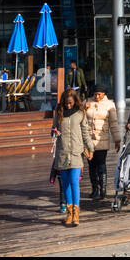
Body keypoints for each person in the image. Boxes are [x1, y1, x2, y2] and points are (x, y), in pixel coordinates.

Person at [51, 88, 92, 226]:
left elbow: (85, 131)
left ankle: (76, 213)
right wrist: (54, 132)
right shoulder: (59, 113)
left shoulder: (80, 113)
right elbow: (53, 129)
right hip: (62, 153)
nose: (68, 105)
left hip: (76, 152)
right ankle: (69, 213)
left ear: (75, 101)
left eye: (70, 103)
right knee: (65, 183)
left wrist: (90, 147)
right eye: (66, 103)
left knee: (74, 181)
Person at [83, 85, 119, 201]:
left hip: (101, 139)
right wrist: (83, 108)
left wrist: (117, 139)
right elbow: (78, 116)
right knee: (91, 165)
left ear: (104, 94)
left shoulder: (109, 104)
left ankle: (103, 189)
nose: (97, 96)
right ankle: (94, 189)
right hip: (88, 139)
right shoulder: (87, 102)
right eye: (95, 94)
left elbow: (113, 124)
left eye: (99, 94)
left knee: (101, 164)